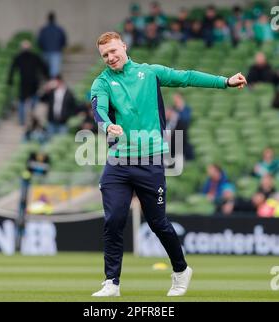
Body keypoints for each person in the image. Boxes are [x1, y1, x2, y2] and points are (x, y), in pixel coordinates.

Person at [90, 31, 247, 297]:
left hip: (150, 159)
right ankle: (111, 283)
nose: (110, 58)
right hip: (118, 161)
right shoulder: (102, 82)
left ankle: (181, 270)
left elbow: (186, 77)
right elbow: (98, 109)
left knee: (158, 223)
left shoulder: (150, 73)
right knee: (114, 219)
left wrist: (225, 81)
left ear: (124, 47)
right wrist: (107, 125)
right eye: (105, 55)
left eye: (113, 51)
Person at [7, 40, 48, 126]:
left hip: (29, 83)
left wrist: (10, 80)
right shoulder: (32, 56)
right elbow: (44, 67)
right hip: (29, 83)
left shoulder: (21, 57)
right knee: (26, 101)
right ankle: (27, 119)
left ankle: (26, 119)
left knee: (26, 101)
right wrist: (47, 77)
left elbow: (43, 67)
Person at [38, 12, 67, 78]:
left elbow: (39, 41)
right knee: (54, 72)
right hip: (56, 51)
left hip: (45, 51)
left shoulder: (43, 29)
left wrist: (43, 48)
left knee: (46, 71)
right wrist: (60, 47)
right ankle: (53, 85)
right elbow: (64, 40)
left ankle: (49, 84)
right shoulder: (59, 29)